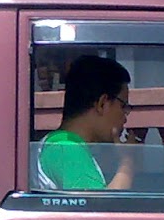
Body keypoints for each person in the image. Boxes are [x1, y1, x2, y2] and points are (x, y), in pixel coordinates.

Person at [36, 54, 135, 190]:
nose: (125, 118)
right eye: (123, 106)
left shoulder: (63, 145)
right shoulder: (67, 148)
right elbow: (101, 203)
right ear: (102, 103)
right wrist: (128, 162)